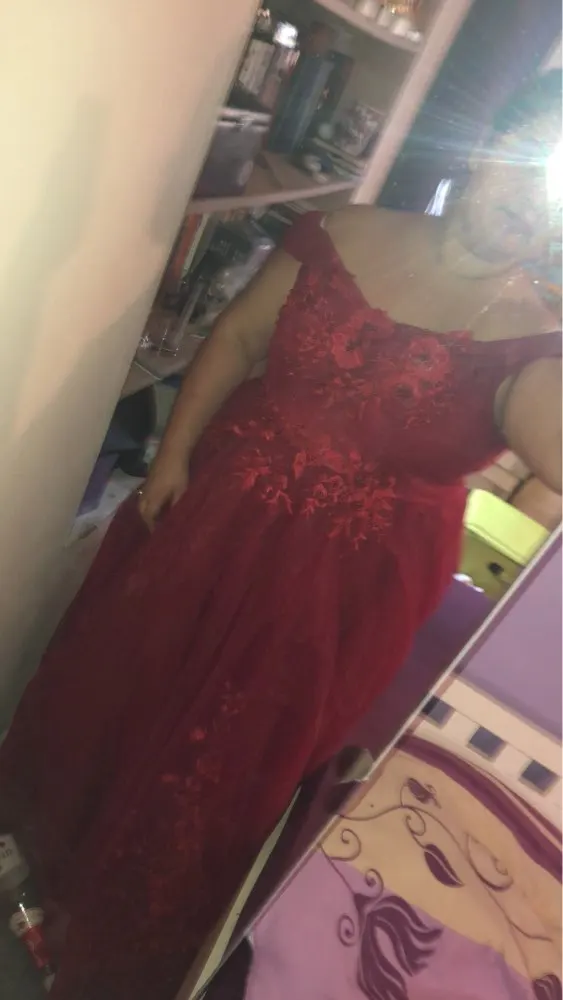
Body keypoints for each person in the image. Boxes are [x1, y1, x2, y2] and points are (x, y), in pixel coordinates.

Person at [0, 71, 561, 1000]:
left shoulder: (535, 348)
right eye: (537, 162)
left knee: (222, 766)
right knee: (124, 682)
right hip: (212, 516)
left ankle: (115, 945)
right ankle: (45, 862)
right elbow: (235, 339)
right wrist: (172, 454)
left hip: (335, 596)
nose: (535, 201)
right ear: (485, 149)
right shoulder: (347, 228)